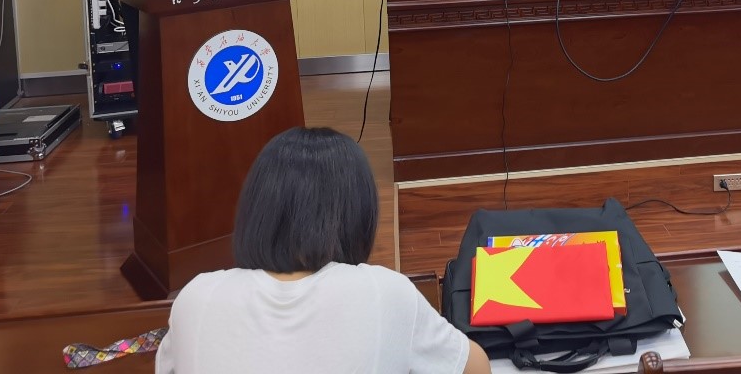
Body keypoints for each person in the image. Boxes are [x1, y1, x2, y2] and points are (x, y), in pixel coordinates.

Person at [155, 127, 490, 374]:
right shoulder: (384, 291)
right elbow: (475, 367)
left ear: (256, 209)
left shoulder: (197, 296)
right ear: (358, 213)